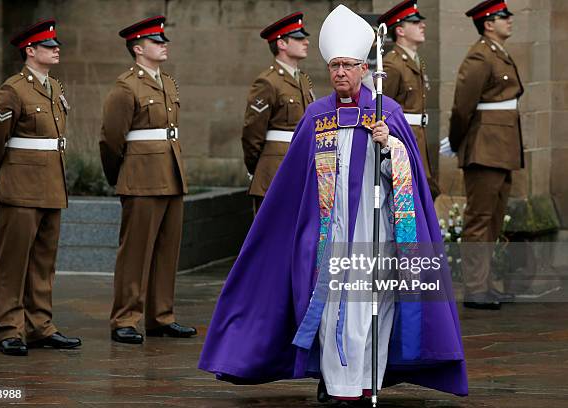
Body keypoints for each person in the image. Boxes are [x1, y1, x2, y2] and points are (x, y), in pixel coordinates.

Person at [200, 4, 467, 404]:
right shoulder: (316, 115)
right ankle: (336, 381)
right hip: (330, 232)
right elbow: (294, 183)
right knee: (329, 307)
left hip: (374, 232)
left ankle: (365, 380)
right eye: (334, 66)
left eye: (347, 65)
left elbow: (407, 173)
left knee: (374, 306)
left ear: (364, 68)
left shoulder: (385, 112)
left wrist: (388, 145)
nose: (340, 73)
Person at [0, 19, 81, 356]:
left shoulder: (56, 88)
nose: (56, 50)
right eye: (49, 47)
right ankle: (10, 328)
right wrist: (1, 178)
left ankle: (40, 326)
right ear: (30, 51)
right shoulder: (13, 89)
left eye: (56, 46)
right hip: (20, 187)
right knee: (12, 263)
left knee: (43, 262)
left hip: (52, 185)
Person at [100, 16, 196, 344]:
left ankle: (161, 316)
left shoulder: (168, 83)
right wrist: (121, 175)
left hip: (171, 174)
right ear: (139, 49)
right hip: (140, 178)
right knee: (135, 253)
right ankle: (125, 318)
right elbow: (111, 139)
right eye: (156, 42)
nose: (163, 45)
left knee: (167, 251)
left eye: (163, 41)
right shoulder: (127, 86)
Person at [448, 0, 523, 310]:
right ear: (488, 23)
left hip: (502, 146)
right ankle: (476, 288)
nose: (510, 20)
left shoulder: (498, 53)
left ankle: (487, 284)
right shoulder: (480, 55)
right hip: (484, 147)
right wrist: (457, 142)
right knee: (479, 219)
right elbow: (462, 106)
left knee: (493, 219)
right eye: (503, 16)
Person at [242, 12, 315, 213]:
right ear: (282, 44)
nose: (306, 42)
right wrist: (257, 168)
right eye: (299, 38)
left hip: (302, 165)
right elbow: (252, 132)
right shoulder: (268, 81)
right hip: (275, 169)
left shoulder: (303, 81)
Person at [378, 0, 440, 200]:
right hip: (402, 140)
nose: (422, 25)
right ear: (400, 31)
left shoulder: (413, 61)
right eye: (414, 22)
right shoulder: (393, 65)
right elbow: (382, 110)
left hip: (416, 137)